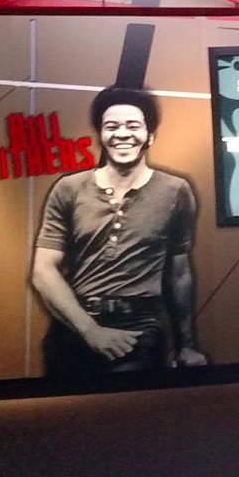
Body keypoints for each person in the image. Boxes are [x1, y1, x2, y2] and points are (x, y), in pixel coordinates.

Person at [30, 86, 207, 377]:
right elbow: (43, 271)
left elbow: (179, 273)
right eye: (111, 127)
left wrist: (186, 345)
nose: (122, 134)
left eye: (133, 126)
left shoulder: (175, 191)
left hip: (138, 331)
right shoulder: (69, 189)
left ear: (150, 136)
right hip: (73, 328)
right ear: (100, 135)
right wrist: (91, 331)